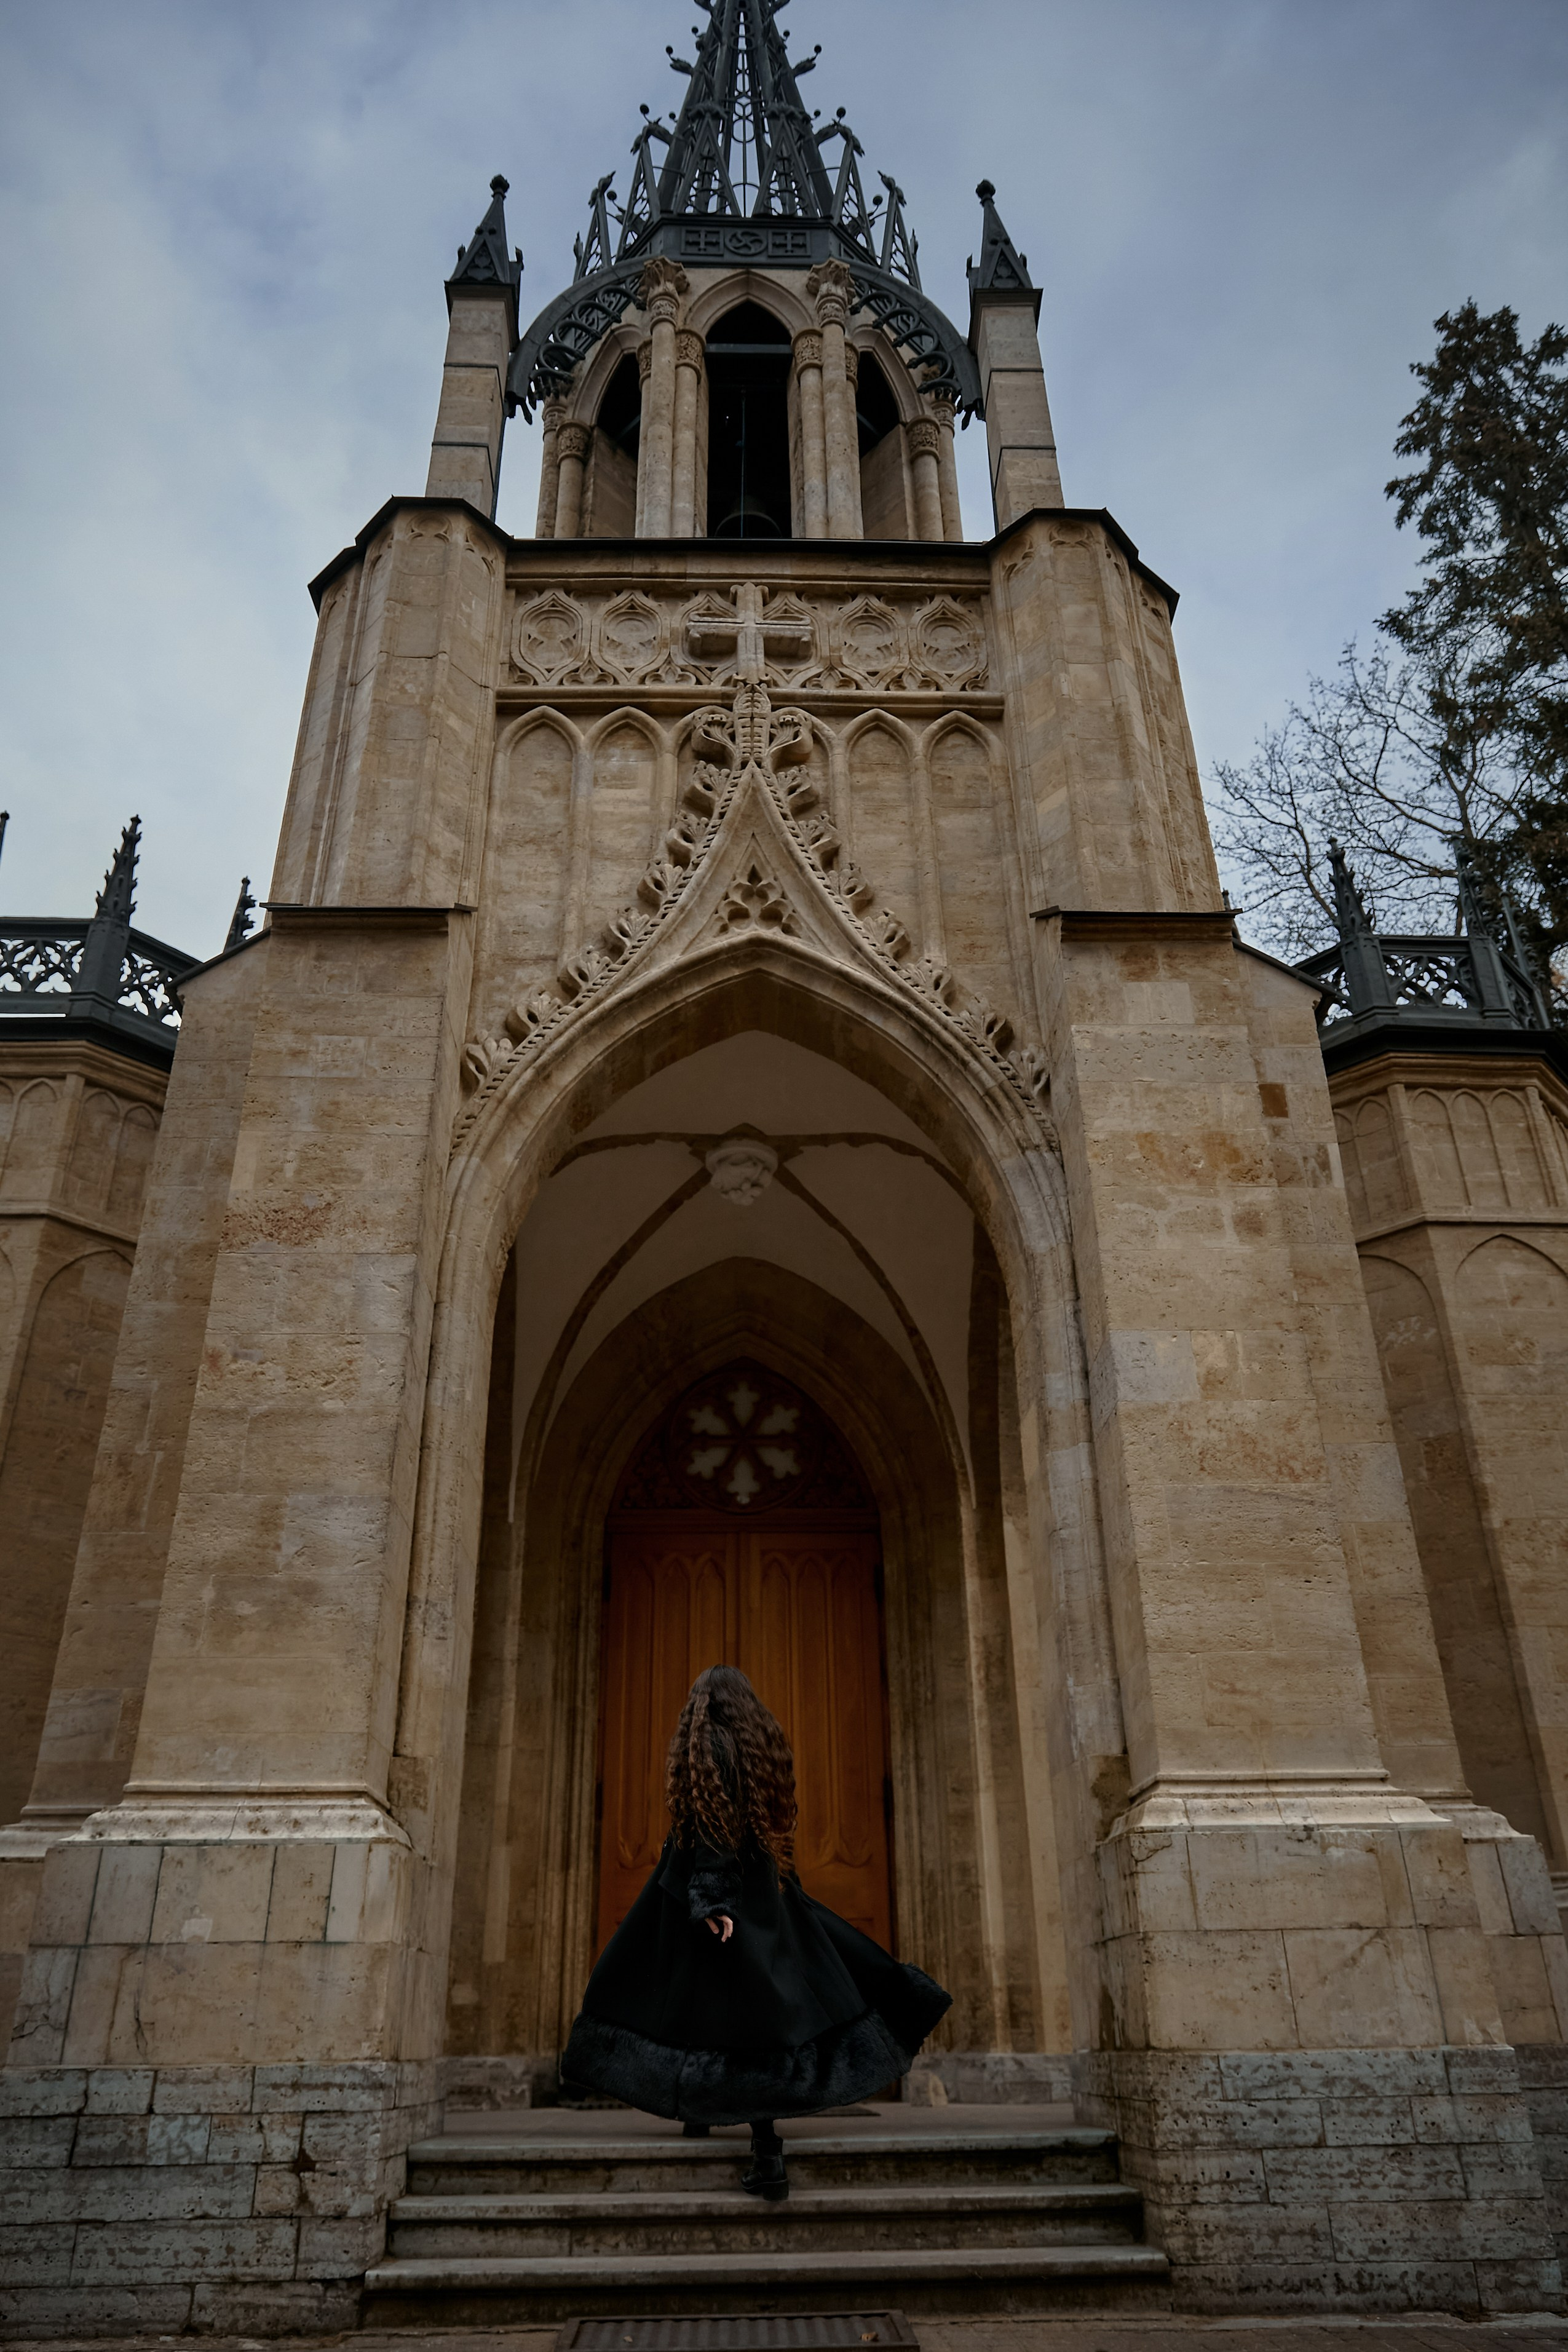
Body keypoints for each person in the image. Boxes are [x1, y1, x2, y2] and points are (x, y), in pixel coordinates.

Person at [563, 1663, 952, 2201]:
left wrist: (711, 1899)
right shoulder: (755, 1747)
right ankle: (713, 2120)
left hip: (720, 1902)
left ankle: (768, 2159)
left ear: (706, 1706)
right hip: (758, 1898)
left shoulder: (715, 1746)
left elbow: (714, 1831)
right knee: (745, 2015)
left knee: (724, 2015)